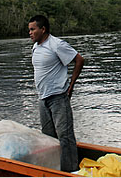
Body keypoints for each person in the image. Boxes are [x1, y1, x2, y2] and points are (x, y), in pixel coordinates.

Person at [28, 15, 85, 172]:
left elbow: (79, 60)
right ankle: (53, 170)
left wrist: (71, 85)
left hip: (58, 97)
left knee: (65, 137)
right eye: (29, 30)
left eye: (33, 29)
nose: (30, 33)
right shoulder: (36, 47)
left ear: (43, 29)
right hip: (43, 98)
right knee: (48, 138)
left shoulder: (56, 44)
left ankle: (70, 172)